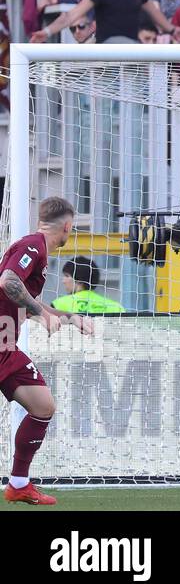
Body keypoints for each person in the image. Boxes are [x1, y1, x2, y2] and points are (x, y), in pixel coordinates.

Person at [0, 196, 93, 505]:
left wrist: (70, 319)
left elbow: (26, 298)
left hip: (6, 345)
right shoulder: (33, 246)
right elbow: (8, 281)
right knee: (44, 405)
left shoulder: (37, 249)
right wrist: (40, 315)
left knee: (43, 405)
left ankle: (19, 483)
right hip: (1, 341)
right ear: (67, 226)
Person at [52, 257, 123, 314]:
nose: (63, 281)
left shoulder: (59, 305)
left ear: (79, 280)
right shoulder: (115, 307)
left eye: (67, 276)